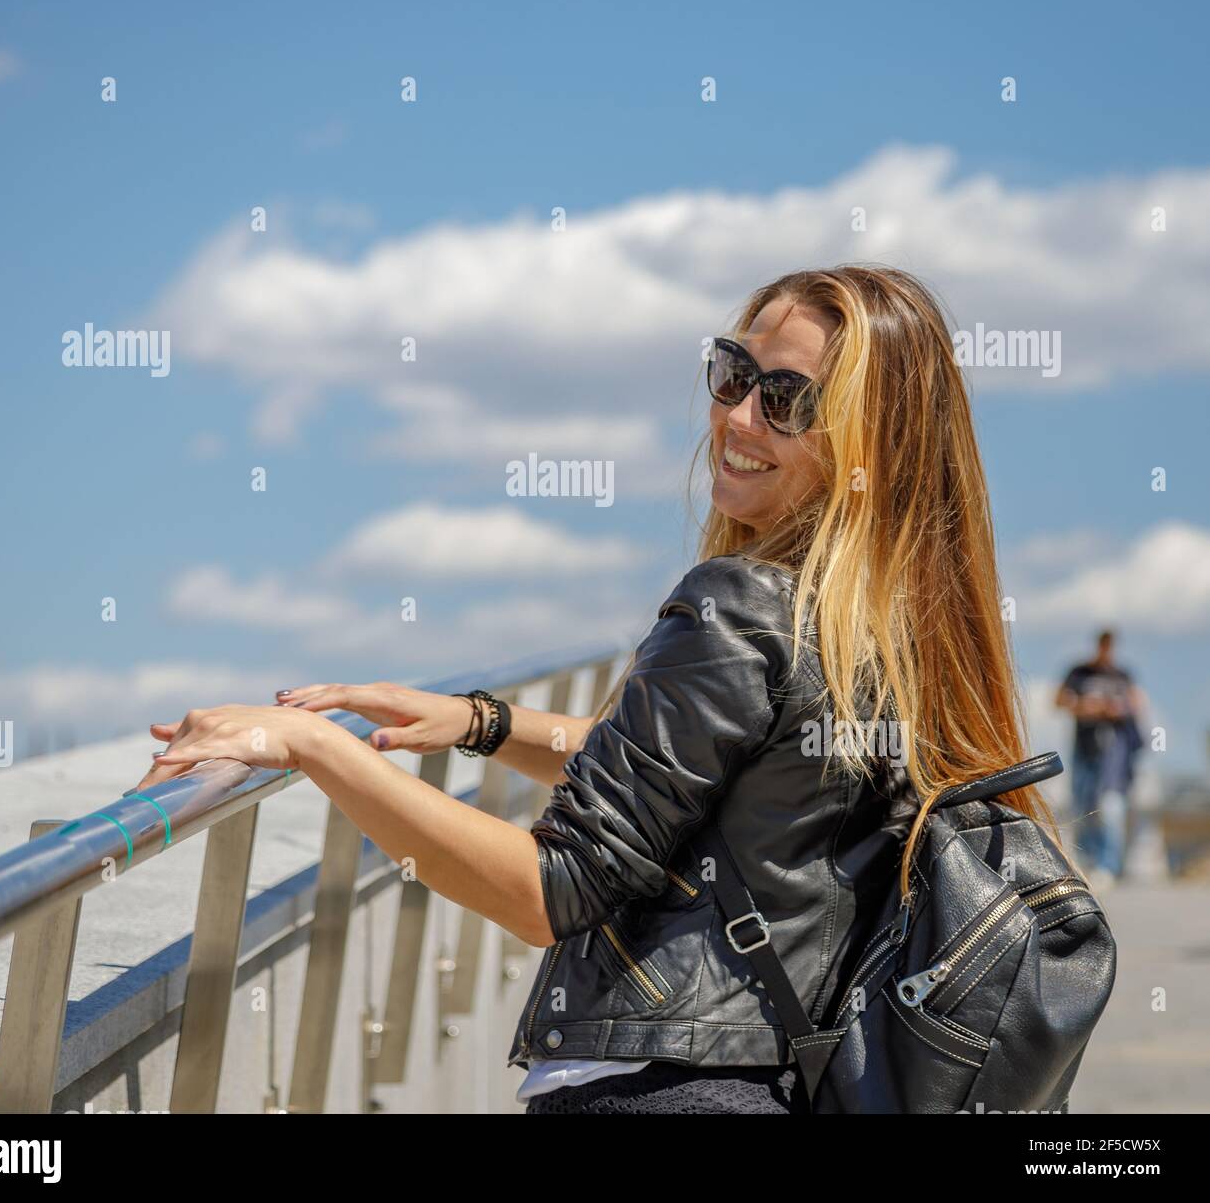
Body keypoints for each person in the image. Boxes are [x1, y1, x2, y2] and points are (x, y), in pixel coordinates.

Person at [130, 265, 1059, 1114]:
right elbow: (698, 776)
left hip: (654, 1092)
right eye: (734, 375)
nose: (738, 420)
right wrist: (481, 724)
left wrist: (313, 747)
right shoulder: (892, 634)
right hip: (773, 1084)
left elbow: (552, 889)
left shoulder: (737, 606)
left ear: (869, 444)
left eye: (786, 402)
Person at [1055, 631, 1146, 883]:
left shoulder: (1122, 675)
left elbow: (1137, 703)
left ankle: (1108, 865)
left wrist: (1117, 709)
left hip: (1113, 753)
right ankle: (1088, 860)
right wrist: (1085, 707)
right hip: (1084, 749)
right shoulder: (1080, 672)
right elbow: (1058, 700)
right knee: (1083, 803)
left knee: (1110, 804)